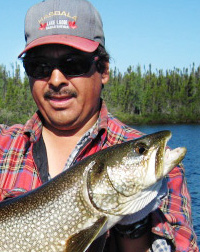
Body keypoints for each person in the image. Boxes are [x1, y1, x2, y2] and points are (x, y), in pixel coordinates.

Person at [0, 0, 198, 251]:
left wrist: (134, 225)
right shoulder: (2, 146)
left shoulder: (163, 172)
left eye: (74, 64)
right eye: (39, 67)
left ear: (103, 70)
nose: (56, 79)